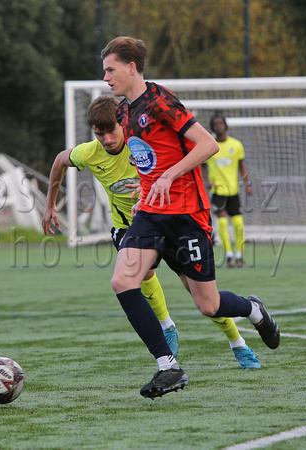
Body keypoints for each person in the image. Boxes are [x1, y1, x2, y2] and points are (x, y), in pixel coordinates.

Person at [101, 36, 280, 399]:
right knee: (123, 281)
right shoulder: (122, 112)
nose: (105, 78)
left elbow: (207, 144)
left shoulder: (161, 100)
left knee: (207, 304)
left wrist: (170, 175)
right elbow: (149, 157)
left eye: (110, 69)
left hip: (187, 214)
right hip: (152, 213)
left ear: (131, 67)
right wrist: (146, 189)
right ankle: (169, 367)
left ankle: (252, 309)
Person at [42, 95, 260, 371]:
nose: (107, 139)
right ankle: (166, 325)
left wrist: (149, 188)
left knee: (202, 296)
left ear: (124, 125)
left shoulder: (143, 144)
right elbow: (60, 160)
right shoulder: (89, 153)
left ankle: (237, 342)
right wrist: (50, 204)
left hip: (169, 222)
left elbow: (183, 161)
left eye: (111, 131)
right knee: (135, 271)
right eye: (99, 134)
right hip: (129, 228)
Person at [202, 113, 253, 268]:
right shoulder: (210, 145)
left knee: (238, 224)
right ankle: (229, 256)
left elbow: (241, 167)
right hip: (218, 192)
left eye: (221, 123)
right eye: (215, 124)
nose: (219, 126)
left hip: (233, 191)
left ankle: (239, 256)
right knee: (222, 223)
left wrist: (247, 183)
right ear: (212, 127)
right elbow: (202, 165)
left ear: (225, 125)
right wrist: (207, 181)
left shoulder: (236, 145)